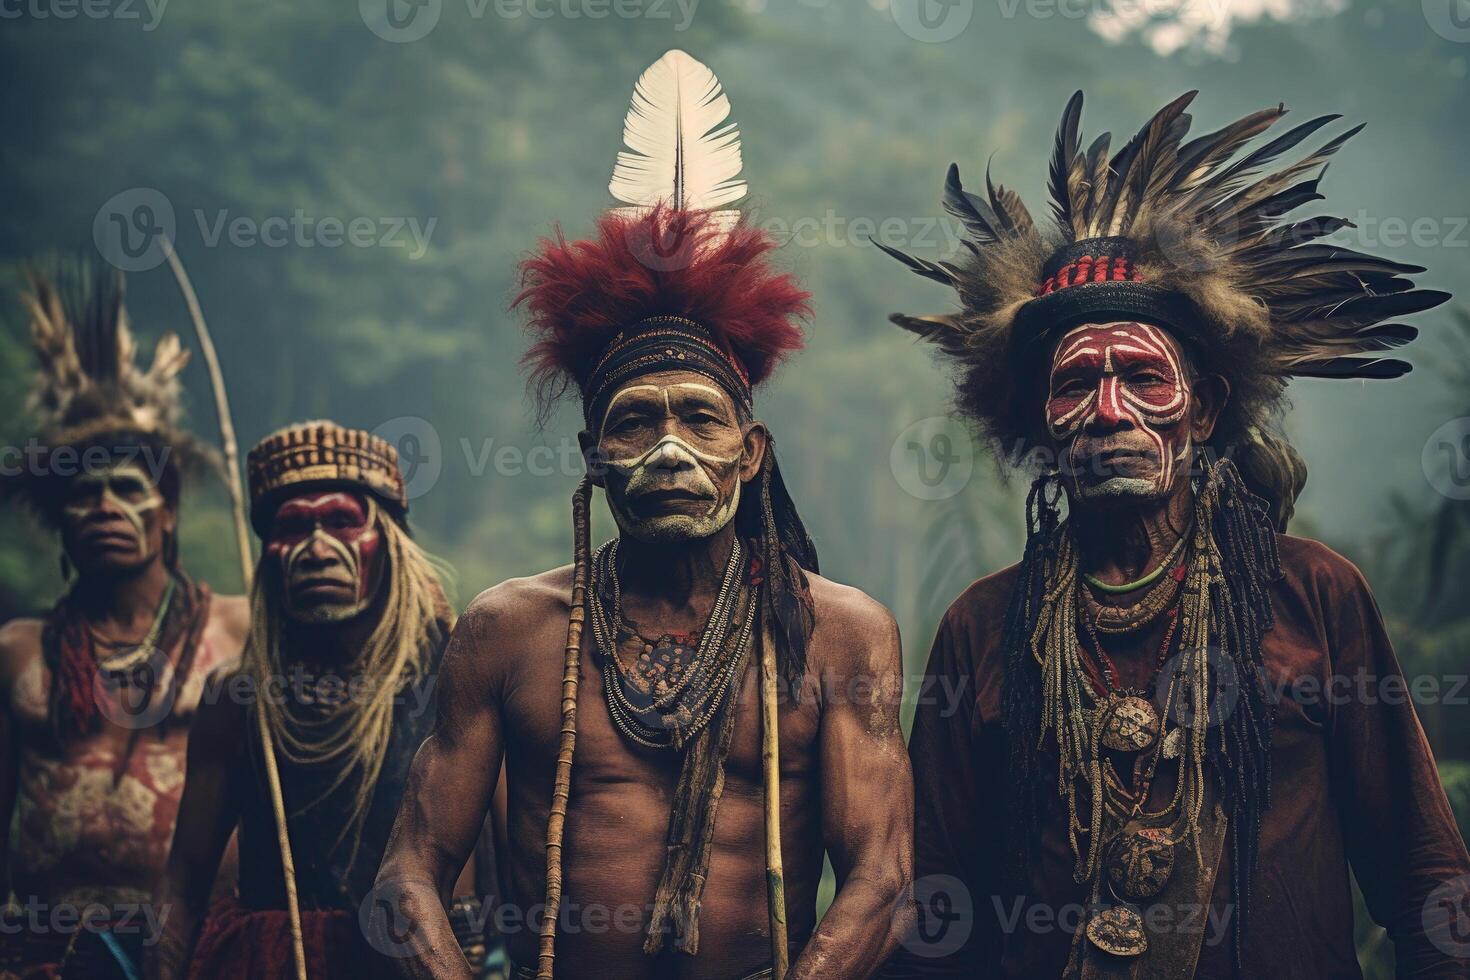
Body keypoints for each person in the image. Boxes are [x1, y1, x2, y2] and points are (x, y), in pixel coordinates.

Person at [878, 90, 1470, 978]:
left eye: (1143, 377)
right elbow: (931, 911)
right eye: (1076, 384)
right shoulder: (982, 627)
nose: (1107, 411)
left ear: (1204, 410)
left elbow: (1424, 879)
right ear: (1040, 425)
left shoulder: (1314, 595)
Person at [374, 49, 913, 980]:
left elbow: (883, 878)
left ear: (750, 454)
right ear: (594, 457)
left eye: (700, 417)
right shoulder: (512, 632)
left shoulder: (837, 634)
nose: (669, 449)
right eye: (635, 422)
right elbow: (410, 874)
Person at [145, 421, 470, 979]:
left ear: (387, 541)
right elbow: (186, 879)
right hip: (276, 960)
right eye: (293, 527)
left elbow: (525, 857)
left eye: (343, 521)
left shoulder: (457, 677)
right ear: (268, 552)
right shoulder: (238, 698)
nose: (318, 549)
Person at [0, 261, 248, 978]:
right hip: (46, 950)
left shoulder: (235, 631)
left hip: (202, 945)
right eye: (83, 494)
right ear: (60, 523)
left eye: (127, 488)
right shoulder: (19, 651)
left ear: (167, 511)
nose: (105, 506)